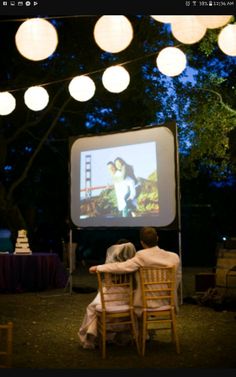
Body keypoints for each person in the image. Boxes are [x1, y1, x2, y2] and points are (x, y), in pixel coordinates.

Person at [89, 227, 182, 315]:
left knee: (127, 295)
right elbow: (177, 279)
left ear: (141, 242)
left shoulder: (142, 256)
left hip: (146, 303)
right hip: (168, 301)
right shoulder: (174, 257)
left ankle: (138, 329)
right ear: (157, 238)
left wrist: (99, 267)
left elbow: (121, 267)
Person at [78, 240, 137, 349]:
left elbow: (103, 280)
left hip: (111, 299)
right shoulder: (133, 266)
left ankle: (92, 337)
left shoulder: (108, 267)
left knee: (94, 308)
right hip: (128, 298)